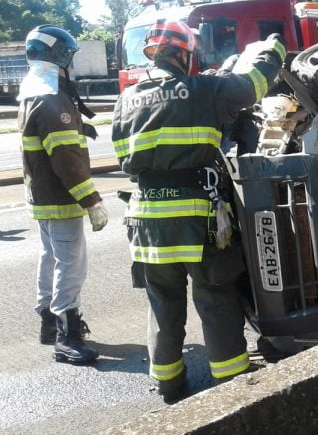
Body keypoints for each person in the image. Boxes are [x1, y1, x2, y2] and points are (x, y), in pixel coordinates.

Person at [111, 21, 286, 403]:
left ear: (152, 54)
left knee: (162, 303)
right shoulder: (203, 90)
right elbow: (255, 83)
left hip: (144, 219)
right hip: (196, 218)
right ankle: (233, 382)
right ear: (186, 54)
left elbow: (124, 157)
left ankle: (168, 384)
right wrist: (274, 47)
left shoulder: (125, 100)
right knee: (215, 297)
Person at [18, 25, 109, 364]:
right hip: (61, 197)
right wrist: (92, 201)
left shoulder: (32, 92)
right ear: (60, 56)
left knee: (50, 257)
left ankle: (47, 322)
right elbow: (66, 159)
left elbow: (43, 137)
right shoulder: (52, 98)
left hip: (41, 194)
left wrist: (79, 125)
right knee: (71, 264)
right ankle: (67, 337)